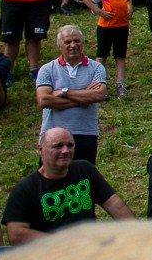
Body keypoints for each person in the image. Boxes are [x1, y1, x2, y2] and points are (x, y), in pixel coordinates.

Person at [2, 125, 136, 242]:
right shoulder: (25, 189)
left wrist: (137, 232)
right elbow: (16, 234)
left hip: (90, 249)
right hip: (50, 256)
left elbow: (114, 204)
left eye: (70, 145)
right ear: (40, 149)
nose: (65, 151)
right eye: (57, 146)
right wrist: (64, 244)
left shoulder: (84, 170)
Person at [36, 24, 109, 165]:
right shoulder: (47, 69)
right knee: (52, 182)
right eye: (68, 42)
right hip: (53, 135)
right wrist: (84, 98)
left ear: (83, 43)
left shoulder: (96, 67)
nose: (73, 45)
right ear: (60, 46)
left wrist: (64, 92)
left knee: (83, 181)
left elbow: (99, 95)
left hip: (86, 134)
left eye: (77, 41)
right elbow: (44, 100)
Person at [80, 0, 132, 98]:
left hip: (122, 25)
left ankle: (120, 84)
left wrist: (129, 8)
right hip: (106, 26)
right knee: (102, 55)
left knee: (120, 55)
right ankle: (98, 85)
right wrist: (98, 11)